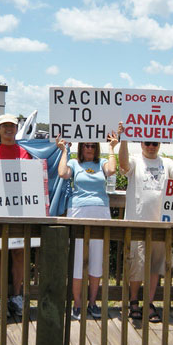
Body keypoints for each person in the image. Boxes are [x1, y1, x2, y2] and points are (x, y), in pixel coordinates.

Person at [118, 122, 173, 322]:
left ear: (160, 144)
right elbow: (123, 165)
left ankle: (148, 303)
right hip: (137, 224)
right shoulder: (135, 160)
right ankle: (134, 301)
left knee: (155, 267)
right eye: (148, 142)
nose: (151, 146)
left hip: (161, 225)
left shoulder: (166, 162)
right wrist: (123, 138)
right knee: (136, 265)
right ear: (141, 143)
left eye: (155, 143)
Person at [56, 133, 118, 320]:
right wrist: (63, 151)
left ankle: (92, 302)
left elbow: (112, 171)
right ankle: (77, 303)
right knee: (76, 260)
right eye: (86, 145)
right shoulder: (75, 164)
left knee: (96, 260)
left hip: (101, 212)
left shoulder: (102, 163)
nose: (89, 148)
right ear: (81, 148)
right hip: (78, 211)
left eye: (92, 145)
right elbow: (62, 173)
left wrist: (112, 147)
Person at [0, 113, 32, 317]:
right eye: (5, 126)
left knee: (19, 254)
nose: (9, 129)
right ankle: (1, 299)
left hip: (20, 212)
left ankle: (17, 297)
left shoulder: (24, 153)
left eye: (12, 125)